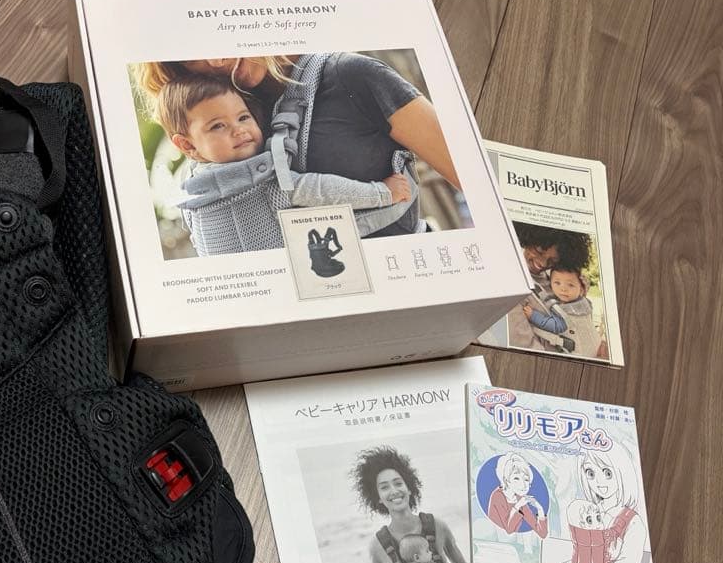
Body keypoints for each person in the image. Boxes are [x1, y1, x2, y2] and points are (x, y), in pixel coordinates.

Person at [134, 53, 461, 238]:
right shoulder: (209, 149)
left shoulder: (350, 76)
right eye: (194, 56)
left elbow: (471, 174)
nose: (217, 59)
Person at [154, 75, 413, 255]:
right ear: (187, 145)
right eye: (218, 126)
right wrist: (382, 193)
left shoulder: (191, 197)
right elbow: (322, 190)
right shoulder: (264, 180)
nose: (239, 130)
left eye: (243, 117)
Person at [507, 222, 594, 352]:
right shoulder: (511, 282)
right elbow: (524, 344)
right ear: (527, 240)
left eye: (552, 260)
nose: (543, 263)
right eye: (539, 251)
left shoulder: (553, 276)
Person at [521, 265, 602, 356]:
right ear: (550, 283)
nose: (563, 289)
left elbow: (554, 325)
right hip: (596, 344)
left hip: (581, 353)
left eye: (570, 285)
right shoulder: (584, 302)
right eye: (557, 283)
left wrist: (533, 315)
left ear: (581, 289)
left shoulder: (568, 312)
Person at [485, 452, 548, 538]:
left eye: (526, 479)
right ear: (506, 480)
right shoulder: (498, 496)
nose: (523, 484)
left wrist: (540, 509)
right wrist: (517, 506)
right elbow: (509, 530)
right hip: (493, 537)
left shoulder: (519, 499)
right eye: (516, 478)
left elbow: (542, 534)